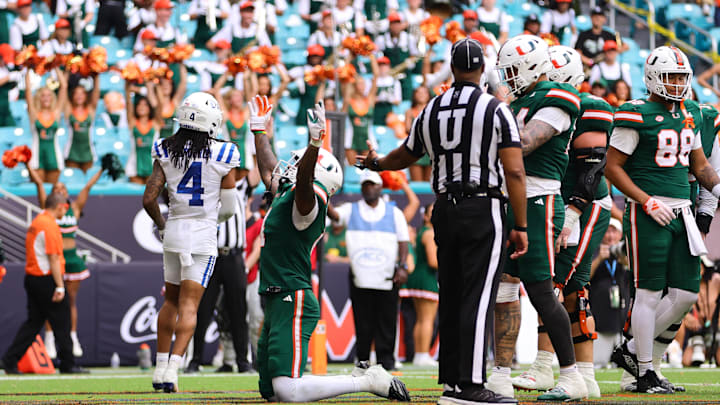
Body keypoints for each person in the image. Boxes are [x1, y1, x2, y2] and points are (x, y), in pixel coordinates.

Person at [357, 38, 528, 405]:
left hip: (445, 209)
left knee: (450, 295)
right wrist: (522, 225)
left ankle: (452, 382)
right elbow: (514, 171)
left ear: (452, 69)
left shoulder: (432, 108)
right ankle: (468, 386)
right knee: (478, 296)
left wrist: (377, 164)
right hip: (483, 205)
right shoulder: (495, 109)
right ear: (483, 68)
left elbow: (407, 152)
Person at [248, 94, 410, 402]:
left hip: (291, 296)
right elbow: (271, 168)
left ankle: (366, 380)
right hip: (276, 295)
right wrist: (259, 131)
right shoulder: (290, 193)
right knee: (269, 391)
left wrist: (314, 145)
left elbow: (305, 179)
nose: (290, 166)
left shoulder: (310, 202)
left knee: (287, 390)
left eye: (298, 162)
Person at [606, 46, 720, 393]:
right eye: (671, 76)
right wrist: (644, 200)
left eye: (682, 78)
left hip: (682, 211)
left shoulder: (688, 113)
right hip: (648, 211)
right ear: (653, 77)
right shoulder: (635, 112)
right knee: (649, 293)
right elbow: (611, 167)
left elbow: (700, 166)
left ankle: (629, 351)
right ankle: (644, 371)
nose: (677, 84)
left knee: (685, 294)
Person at [487, 35, 587, 401]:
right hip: (512, 198)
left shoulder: (557, 97)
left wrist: (496, 104)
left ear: (531, 66)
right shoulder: (523, 99)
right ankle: (500, 373)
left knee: (542, 292)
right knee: (504, 287)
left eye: (512, 70)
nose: (508, 77)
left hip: (539, 200)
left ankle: (572, 375)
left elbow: (525, 142)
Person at [511, 46, 613, 399]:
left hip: (585, 203)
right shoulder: (534, 102)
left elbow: (592, 168)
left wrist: (572, 213)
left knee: (554, 284)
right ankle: (584, 375)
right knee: (570, 290)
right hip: (555, 198)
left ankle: (548, 366)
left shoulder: (588, 107)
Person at [144, 91, 239, 392]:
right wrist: (212, 219)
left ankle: (159, 369)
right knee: (189, 305)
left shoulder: (164, 148)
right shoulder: (225, 153)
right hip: (202, 234)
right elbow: (229, 208)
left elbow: (149, 199)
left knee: (170, 301)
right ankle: (172, 371)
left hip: (174, 230)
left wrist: (162, 225)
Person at [327, 170, 410, 371]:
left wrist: (403, 266)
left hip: (387, 275)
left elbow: (403, 241)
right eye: (365, 185)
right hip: (360, 276)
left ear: (380, 187)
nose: (369, 188)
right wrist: (323, 194)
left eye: (372, 184)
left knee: (387, 321)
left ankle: (386, 362)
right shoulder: (351, 209)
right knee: (362, 322)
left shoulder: (394, 212)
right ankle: (362, 360)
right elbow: (334, 215)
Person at [0, 193, 86, 374]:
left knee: (33, 323)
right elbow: (53, 257)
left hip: (33, 277)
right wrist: (60, 285)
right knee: (62, 321)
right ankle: (68, 364)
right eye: (65, 207)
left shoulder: (38, 221)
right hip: (46, 278)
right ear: (60, 206)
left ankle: (9, 360)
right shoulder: (49, 225)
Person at [26, 161, 105, 359]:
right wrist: (28, 165)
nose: (60, 189)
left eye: (63, 187)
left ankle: (72, 336)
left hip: (72, 259)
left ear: (67, 192)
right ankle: (50, 339)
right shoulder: (49, 207)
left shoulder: (75, 208)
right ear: (53, 193)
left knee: (70, 301)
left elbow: (87, 187)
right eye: (56, 188)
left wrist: (103, 169)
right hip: (55, 259)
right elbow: (38, 183)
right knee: (51, 303)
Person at [186, 177, 252, 374]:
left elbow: (256, 171)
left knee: (238, 312)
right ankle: (194, 360)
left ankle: (243, 361)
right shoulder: (205, 189)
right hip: (209, 256)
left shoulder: (241, 187)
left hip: (233, 256)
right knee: (203, 310)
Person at [588, 218, 630, 368]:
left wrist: (623, 259)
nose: (610, 235)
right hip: (600, 317)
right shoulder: (594, 250)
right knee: (597, 363)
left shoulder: (625, 252)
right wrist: (599, 258)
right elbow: (586, 277)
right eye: (608, 231)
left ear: (620, 234)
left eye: (614, 231)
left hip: (621, 317)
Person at [402, 203, 439, 367]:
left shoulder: (423, 232)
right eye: (432, 212)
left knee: (421, 319)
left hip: (418, 277)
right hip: (427, 278)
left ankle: (419, 354)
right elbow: (433, 261)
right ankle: (423, 354)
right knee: (427, 319)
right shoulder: (430, 233)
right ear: (426, 216)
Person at [26, 67, 66, 184]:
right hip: (37, 156)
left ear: (52, 97)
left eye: (49, 95)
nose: (46, 98)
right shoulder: (34, 114)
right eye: (43, 95)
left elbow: (63, 87)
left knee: (52, 192)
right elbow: (28, 91)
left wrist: (55, 66)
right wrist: (28, 68)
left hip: (54, 156)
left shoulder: (56, 113)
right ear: (39, 98)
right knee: (39, 190)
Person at [343, 54, 379, 165]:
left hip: (367, 136)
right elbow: (345, 77)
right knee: (352, 166)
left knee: (368, 167)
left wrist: (371, 56)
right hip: (351, 136)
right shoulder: (349, 100)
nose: (362, 86)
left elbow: (376, 76)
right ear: (354, 86)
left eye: (363, 84)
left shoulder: (369, 99)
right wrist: (348, 58)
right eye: (359, 84)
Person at [64, 72, 101, 173]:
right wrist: (67, 70)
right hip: (72, 152)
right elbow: (63, 89)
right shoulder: (69, 110)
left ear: (86, 96)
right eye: (76, 93)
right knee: (72, 181)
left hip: (88, 152)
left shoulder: (90, 110)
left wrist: (96, 75)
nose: (79, 96)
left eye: (82, 93)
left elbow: (96, 93)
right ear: (72, 95)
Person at [125, 81, 161, 184]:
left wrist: (156, 85)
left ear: (149, 108)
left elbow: (159, 106)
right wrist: (128, 85)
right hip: (134, 168)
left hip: (152, 168)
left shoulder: (155, 123)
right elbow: (128, 103)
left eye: (145, 105)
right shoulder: (133, 123)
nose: (141, 107)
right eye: (139, 105)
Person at [404, 86, 431, 181]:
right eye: (418, 92)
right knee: (417, 182)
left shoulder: (432, 110)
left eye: (424, 93)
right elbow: (407, 129)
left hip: (429, 150)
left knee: (429, 185)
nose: (421, 95)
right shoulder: (409, 112)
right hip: (415, 148)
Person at [155, 64, 188, 140]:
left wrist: (181, 63)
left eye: (168, 84)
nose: (166, 86)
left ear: (172, 86)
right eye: (163, 84)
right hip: (159, 142)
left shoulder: (174, 102)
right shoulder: (156, 104)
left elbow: (183, 84)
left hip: (174, 141)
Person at [374, 56, 402, 126]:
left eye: (384, 66)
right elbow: (368, 100)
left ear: (389, 67)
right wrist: (379, 98)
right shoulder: (372, 81)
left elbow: (398, 101)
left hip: (390, 109)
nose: (382, 68)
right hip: (376, 110)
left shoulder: (394, 82)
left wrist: (389, 98)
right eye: (380, 66)